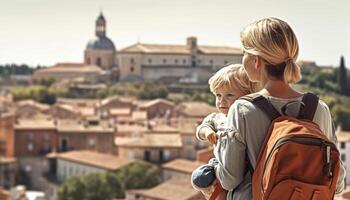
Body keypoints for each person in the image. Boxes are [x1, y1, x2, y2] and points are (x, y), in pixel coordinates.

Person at [214, 17, 346, 199]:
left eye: (244, 52)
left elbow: (229, 179)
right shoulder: (319, 108)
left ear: (256, 60)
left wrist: (216, 153)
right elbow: (338, 182)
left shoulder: (243, 109)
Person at [191, 64, 259, 199]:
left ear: (247, 95)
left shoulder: (246, 119)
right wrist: (207, 132)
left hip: (238, 172)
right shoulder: (217, 118)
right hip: (220, 166)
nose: (222, 101)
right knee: (199, 176)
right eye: (218, 95)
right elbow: (201, 128)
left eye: (229, 95)